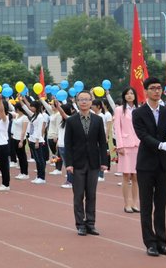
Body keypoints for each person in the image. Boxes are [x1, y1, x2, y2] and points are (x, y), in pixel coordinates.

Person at [132, 76, 166, 257]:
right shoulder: (139, 113)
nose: (157, 91)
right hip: (146, 165)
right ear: (146, 91)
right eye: (153, 88)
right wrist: (160, 144)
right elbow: (143, 135)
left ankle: (162, 242)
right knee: (147, 205)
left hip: (164, 164)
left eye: (159, 88)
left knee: (161, 204)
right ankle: (150, 243)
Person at [63, 90, 109, 237]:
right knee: (78, 195)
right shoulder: (71, 121)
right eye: (81, 99)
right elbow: (67, 144)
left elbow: (102, 142)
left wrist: (104, 161)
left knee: (92, 194)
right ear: (77, 102)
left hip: (94, 163)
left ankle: (90, 223)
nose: (83, 102)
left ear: (91, 101)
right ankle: (80, 224)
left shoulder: (97, 120)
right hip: (77, 163)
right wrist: (68, 163)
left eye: (86, 99)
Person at [113, 87, 140, 212]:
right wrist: (120, 146)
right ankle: (126, 204)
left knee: (136, 176)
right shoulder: (119, 110)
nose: (129, 95)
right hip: (125, 145)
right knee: (126, 175)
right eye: (127, 94)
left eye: (132, 93)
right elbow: (117, 128)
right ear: (124, 96)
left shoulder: (138, 109)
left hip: (138, 145)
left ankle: (135, 203)